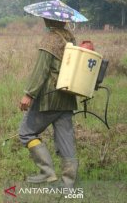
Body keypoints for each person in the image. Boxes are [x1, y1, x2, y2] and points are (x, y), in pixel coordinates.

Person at [18, 17, 79, 188]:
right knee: (66, 140)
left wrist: (29, 94)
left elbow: (41, 70)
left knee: (26, 132)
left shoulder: (50, 39)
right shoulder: (70, 38)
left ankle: (47, 172)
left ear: (48, 19)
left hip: (50, 98)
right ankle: (68, 183)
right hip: (68, 96)